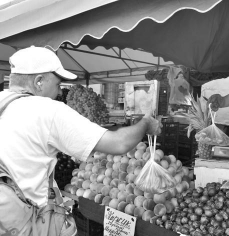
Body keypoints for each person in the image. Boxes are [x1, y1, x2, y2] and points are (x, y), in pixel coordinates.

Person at [0, 46, 161, 233]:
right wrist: (145, 124)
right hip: (27, 224)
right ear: (39, 82)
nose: (59, 92)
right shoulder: (47, 110)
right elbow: (119, 143)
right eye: (58, 84)